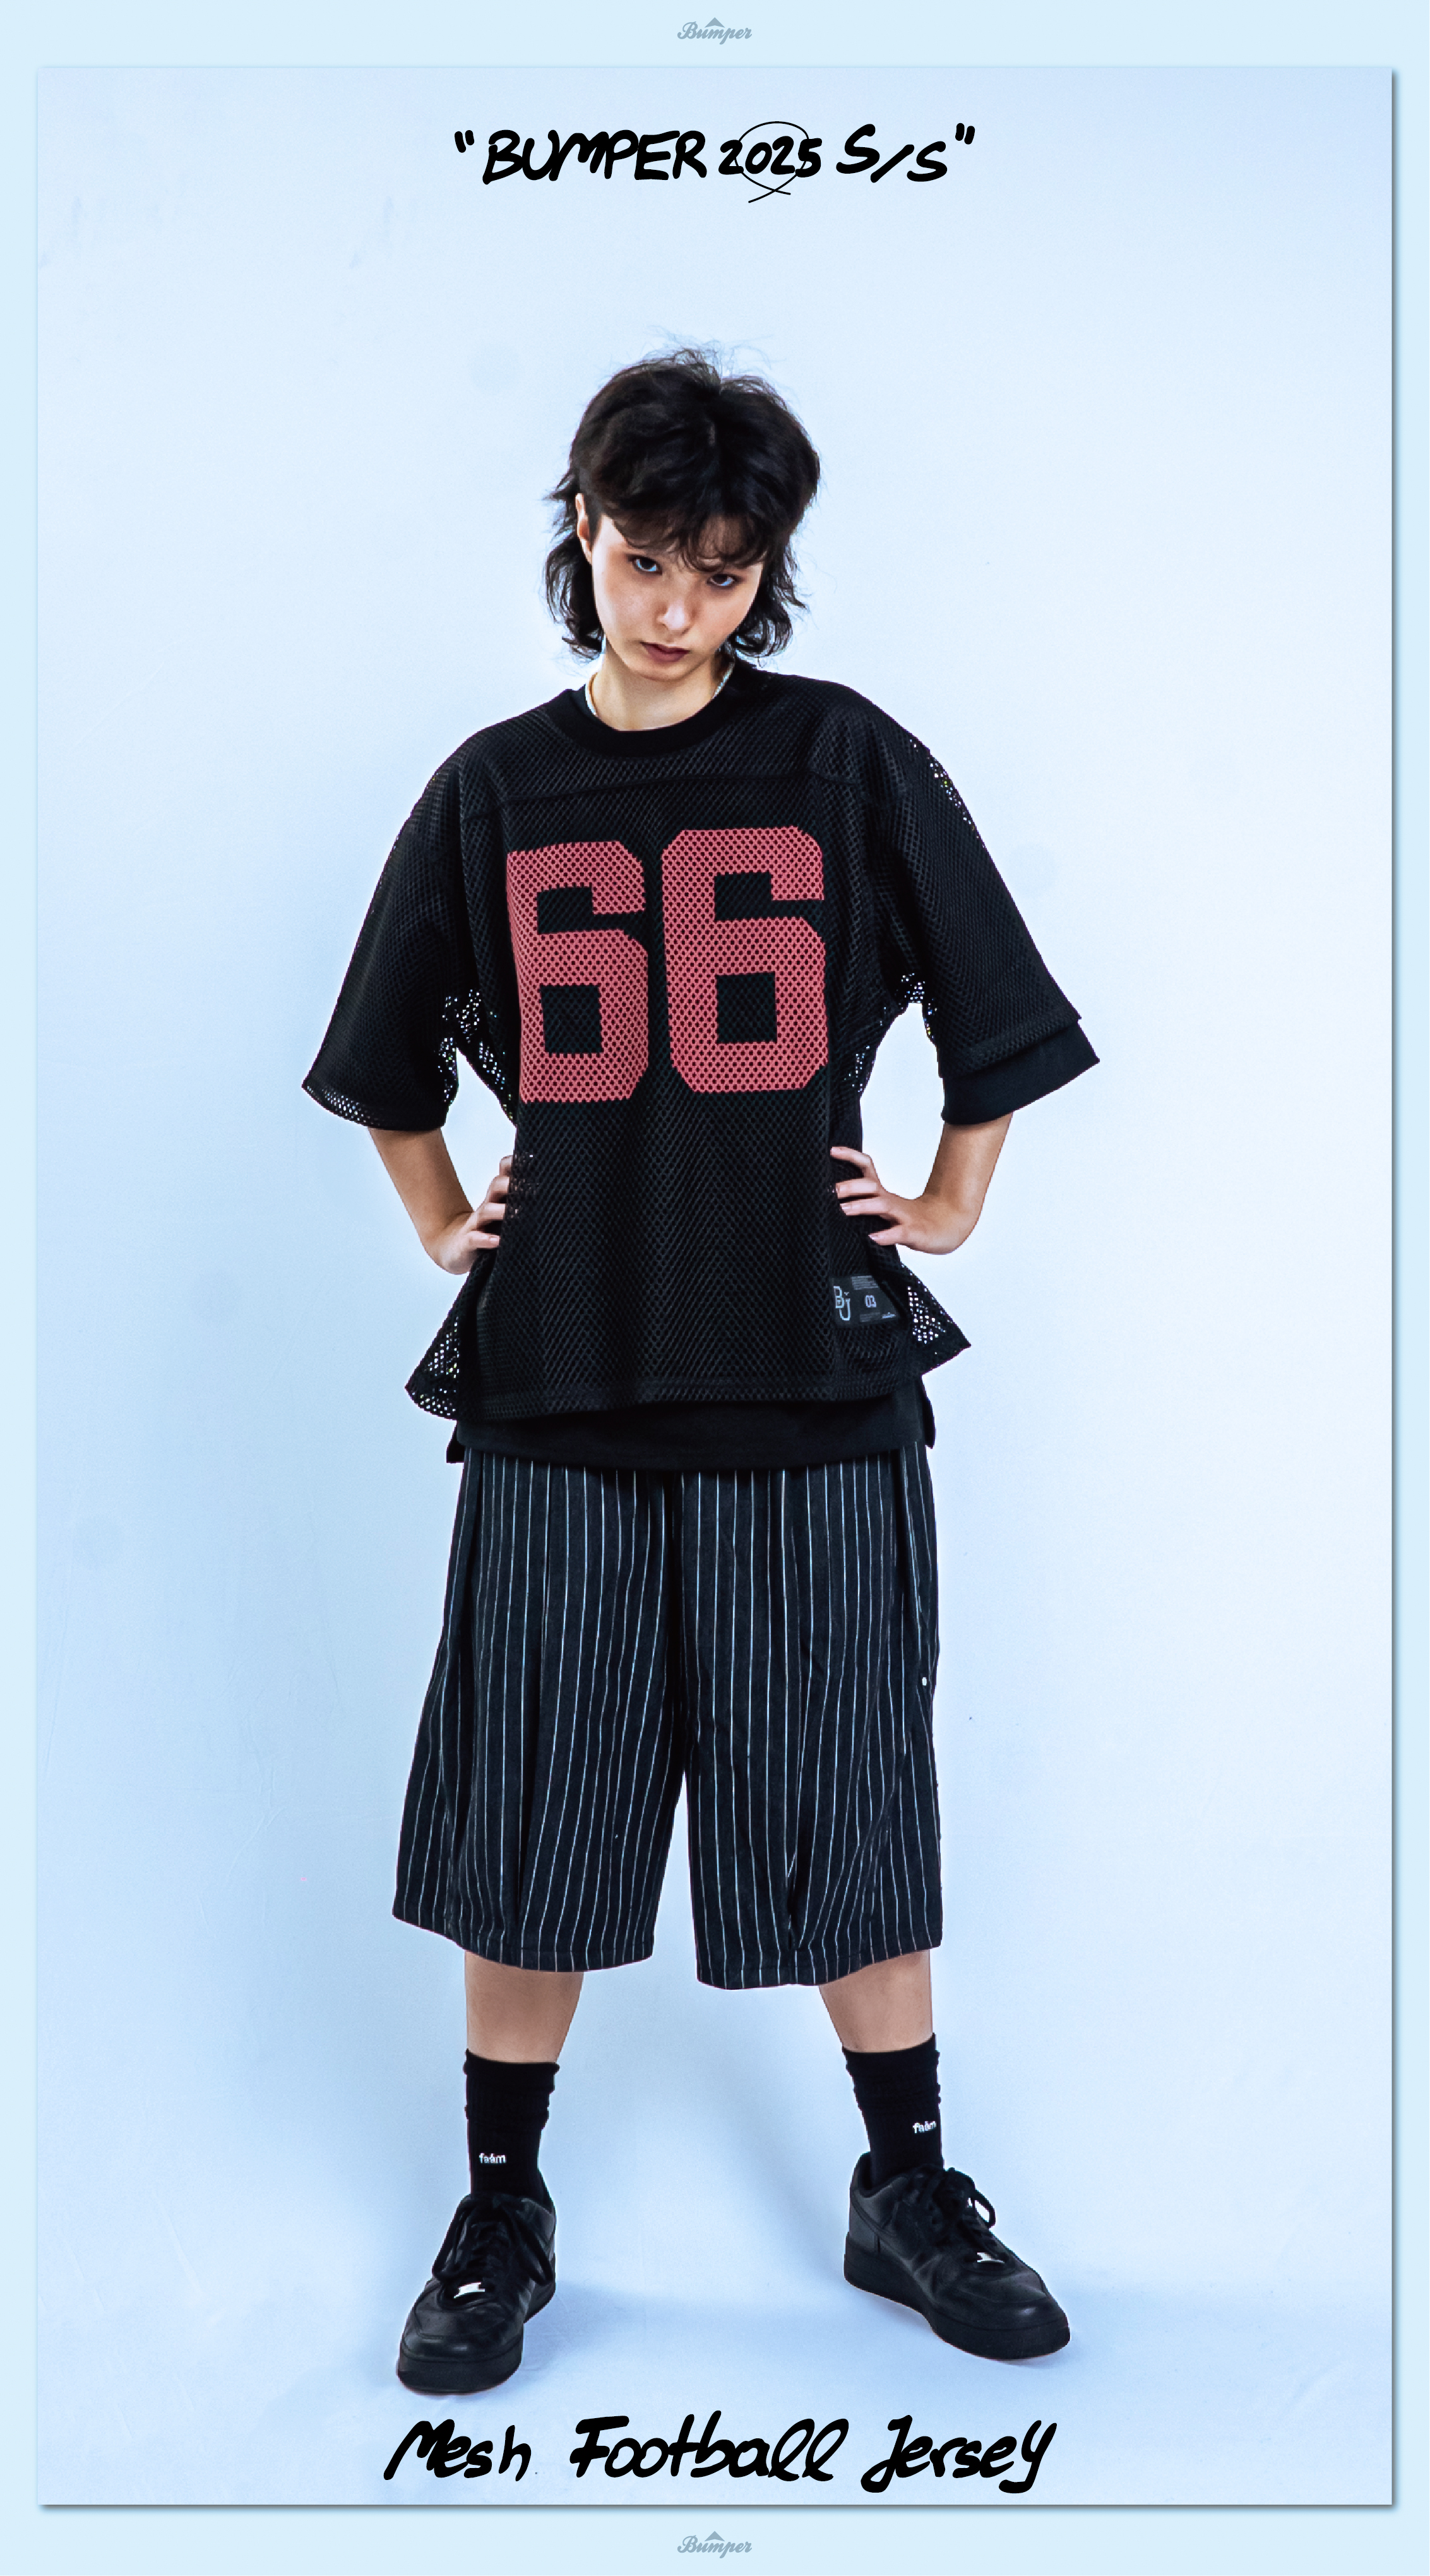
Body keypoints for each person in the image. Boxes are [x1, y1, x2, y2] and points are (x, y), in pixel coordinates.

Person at [304, 349, 1097, 2397]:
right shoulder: (495, 787)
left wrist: (948, 1194)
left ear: (769, 573)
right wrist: (440, 1215)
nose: (679, 607)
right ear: (583, 533)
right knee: (532, 1809)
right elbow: (383, 1060)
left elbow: (998, 1004)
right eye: (648, 558)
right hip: (561, 1372)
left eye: (725, 572)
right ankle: (501, 2210)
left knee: (848, 1793)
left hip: (807, 1369)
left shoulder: (840, 759)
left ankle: (903, 2187)